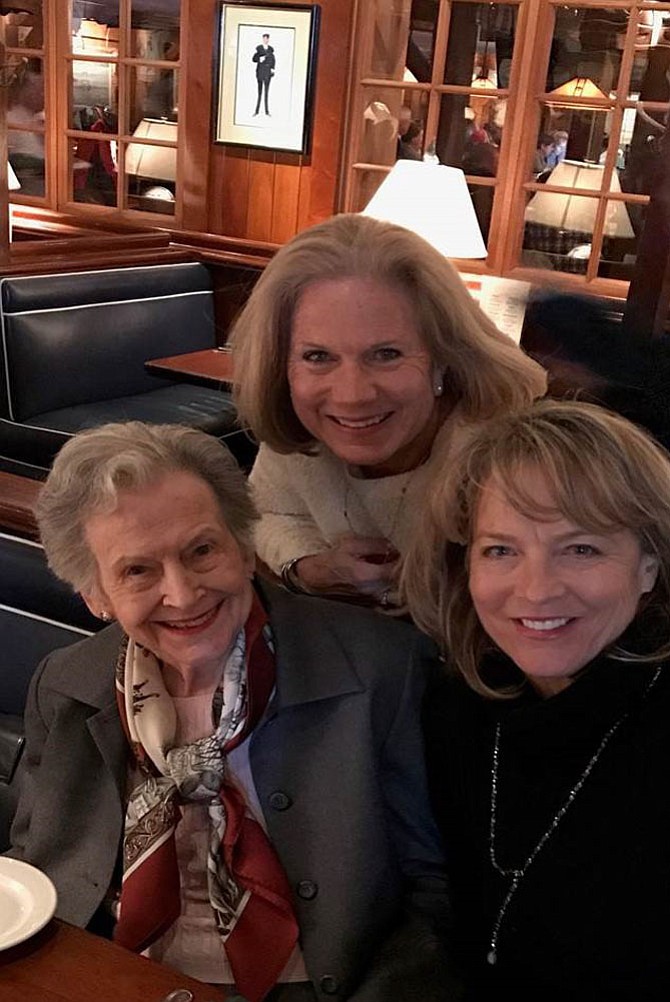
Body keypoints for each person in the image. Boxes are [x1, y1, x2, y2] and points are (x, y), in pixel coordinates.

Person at [7, 421, 456, 1002]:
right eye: (138, 570)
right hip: (112, 971)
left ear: (243, 546)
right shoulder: (65, 683)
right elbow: (33, 860)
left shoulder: (379, 668)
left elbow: (437, 891)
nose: (184, 593)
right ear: (94, 595)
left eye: (202, 550)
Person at [402, 398, 670, 1001]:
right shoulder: (458, 704)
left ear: (649, 566)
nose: (537, 589)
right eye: (501, 549)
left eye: (582, 549)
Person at [230, 213, 546, 609]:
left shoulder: (506, 453)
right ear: (281, 365)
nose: (351, 396)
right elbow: (266, 513)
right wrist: (311, 567)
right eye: (317, 356)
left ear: (443, 359)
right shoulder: (302, 424)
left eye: (386, 354)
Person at [253, 33, 275, 117]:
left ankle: (267, 111)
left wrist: (272, 69)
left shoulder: (271, 50)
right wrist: (259, 59)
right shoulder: (259, 49)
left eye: (267, 39)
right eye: (264, 38)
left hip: (267, 73)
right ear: (263, 39)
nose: (265, 40)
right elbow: (254, 59)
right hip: (260, 72)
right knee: (259, 92)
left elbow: (273, 60)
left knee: (266, 92)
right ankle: (256, 111)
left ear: (268, 40)